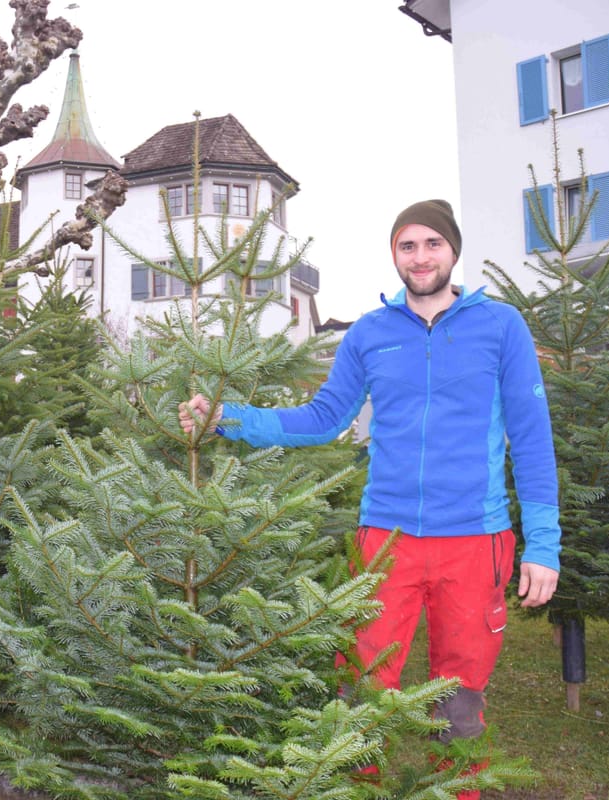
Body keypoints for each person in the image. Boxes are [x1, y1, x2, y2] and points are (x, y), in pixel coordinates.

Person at [179, 200, 559, 800]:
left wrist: (544, 545)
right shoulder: (370, 334)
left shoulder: (500, 327)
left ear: (453, 250)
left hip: (475, 540)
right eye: (407, 246)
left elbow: (532, 439)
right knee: (359, 687)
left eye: (432, 243)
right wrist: (230, 418)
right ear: (394, 255)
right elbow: (324, 418)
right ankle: (355, 791)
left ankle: (455, 792)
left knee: (459, 700)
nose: (420, 257)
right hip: (385, 541)